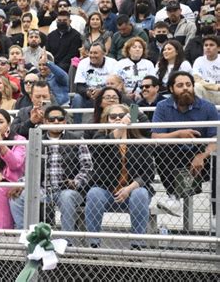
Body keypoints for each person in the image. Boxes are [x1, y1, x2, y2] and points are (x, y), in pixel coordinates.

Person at [9, 105, 92, 235]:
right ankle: (25, 237)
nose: (56, 122)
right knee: (17, 197)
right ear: (45, 121)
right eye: (52, 119)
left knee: (67, 197)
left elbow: (87, 167)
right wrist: (22, 184)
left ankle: (67, 240)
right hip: (43, 189)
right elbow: (29, 169)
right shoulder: (36, 141)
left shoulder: (77, 139)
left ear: (65, 121)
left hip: (69, 190)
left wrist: (75, 182)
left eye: (60, 119)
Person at [86, 103, 154, 249]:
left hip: (132, 192)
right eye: (113, 117)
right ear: (107, 120)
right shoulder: (100, 137)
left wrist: (129, 188)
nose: (117, 118)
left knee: (141, 193)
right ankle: (93, 244)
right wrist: (121, 127)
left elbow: (148, 173)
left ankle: (137, 245)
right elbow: (100, 149)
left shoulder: (139, 141)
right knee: (94, 193)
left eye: (121, 116)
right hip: (108, 191)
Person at [152, 71, 218, 218]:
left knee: (217, 160)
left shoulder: (208, 107)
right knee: (160, 149)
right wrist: (178, 134)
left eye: (188, 85)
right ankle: (173, 198)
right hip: (175, 157)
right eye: (180, 85)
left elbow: (216, 137)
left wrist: (202, 155)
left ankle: (216, 215)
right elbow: (156, 136)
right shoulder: (162, 106)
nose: (185, 88)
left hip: (202, 157)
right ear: (171, 89)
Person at [72, 42, 119, 123]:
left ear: (104, 53)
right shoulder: (83, 63)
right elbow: (79, 87)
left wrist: (101, 92)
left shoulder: (113, 63)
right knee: (77, 98)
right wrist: (88, 93)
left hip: (107, 96)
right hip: (89, 97)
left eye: (95, 53)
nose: (92, 55)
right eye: (91, 53)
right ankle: (77, 127)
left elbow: (116, 85)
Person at [193, 35, 220, 105]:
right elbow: (197, 80)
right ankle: (199, 110)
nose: (208, 47)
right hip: (206, 92)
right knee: (196, 86)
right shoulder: (199, 60)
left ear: (218, 48)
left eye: (211, 45)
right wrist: (216, 87)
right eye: (206, 45)